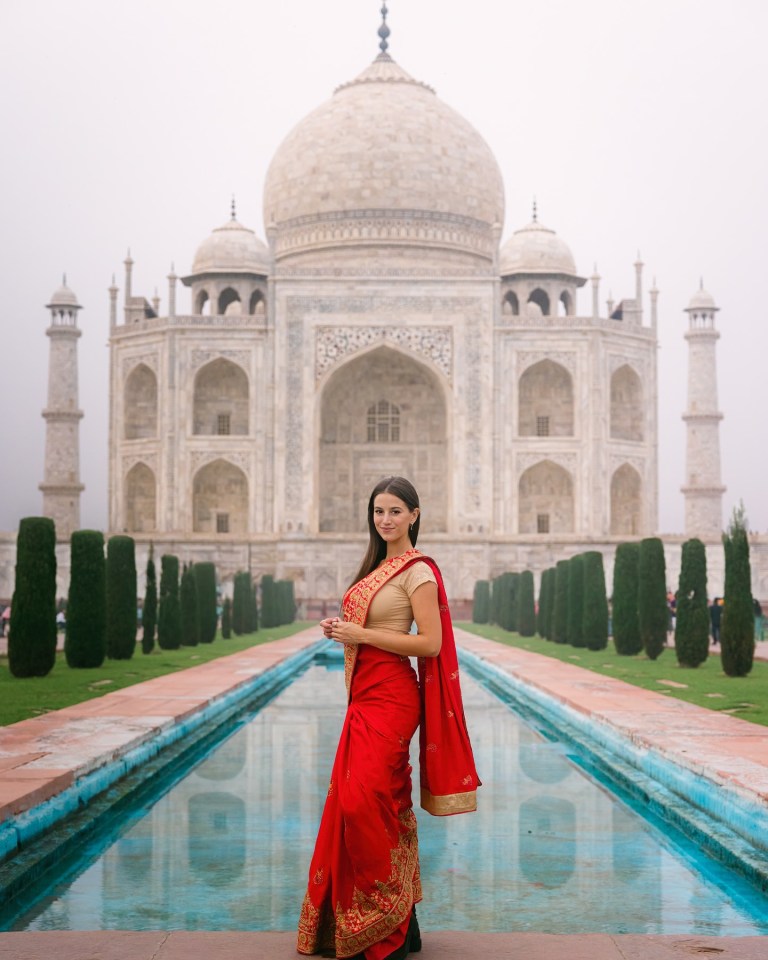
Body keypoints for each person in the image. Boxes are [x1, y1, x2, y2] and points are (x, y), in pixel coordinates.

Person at [297, 476, 480, 960]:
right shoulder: (377, 566)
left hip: (395, 698)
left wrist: (363, 633)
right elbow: (370, 628)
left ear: (414, 515)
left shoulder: (417, 572)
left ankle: (384, 920)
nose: (386, 519)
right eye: (379, 511)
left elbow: (431, 644)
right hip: (364, 697)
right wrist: (342, 631)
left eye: (395, 510)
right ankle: (403, 921)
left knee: (363, 800)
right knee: (376, 803)